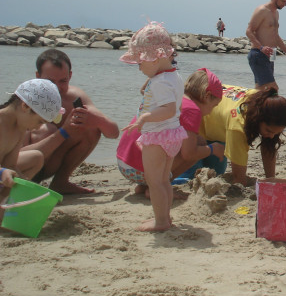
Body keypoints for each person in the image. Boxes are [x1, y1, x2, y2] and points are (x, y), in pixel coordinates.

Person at [120, 22, 187, 232]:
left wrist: (145, 118)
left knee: (154, 181)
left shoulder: (160, 82)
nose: (139, 67)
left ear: (155, 58)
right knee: (164, 180)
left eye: (140, 62)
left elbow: (168, 109)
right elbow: (174, 104)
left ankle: (160, 222)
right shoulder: (172, 76)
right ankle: (165, 217)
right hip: (172, 134)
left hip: (157, 136)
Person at [22, 48, 119, 194]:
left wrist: (98, 120)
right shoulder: (25, 102)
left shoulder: (74, 97)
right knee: (47, 130)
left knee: (91, 127)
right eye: (49, 81)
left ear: (70, 76)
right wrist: (63, 132)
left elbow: (113, 133)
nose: (56, 87)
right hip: (23, 169)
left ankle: (60, 182)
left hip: (51, 164)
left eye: (63, 81)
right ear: (37, 76)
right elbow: (15, 157)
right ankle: (26, 187)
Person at [116, 68, 225, 193]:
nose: (211, 112)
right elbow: (189, 154)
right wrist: (213, 149)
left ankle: (147, 186)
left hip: (124, 163)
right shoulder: (193, 110)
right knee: (198, 145)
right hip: (140, 169)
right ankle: (160, 186)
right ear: (207, 96)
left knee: (194, 140)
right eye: (214, 106)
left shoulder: (174, 98)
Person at [199, 85, 286, 186]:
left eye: (276, 132)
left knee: (216, 173)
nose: (272, 136)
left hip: (217, 128)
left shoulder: (264, 100)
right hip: (196, 121)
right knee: (191, 175)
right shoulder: (238, 127)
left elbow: (268, 146)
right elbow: (238, 178)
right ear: (258, 118)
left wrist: (271, 181)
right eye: (269, 131)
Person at [1, 79, 65, 193]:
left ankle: (9, 199)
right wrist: (2, 172)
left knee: (36, 158)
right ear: (25, 106)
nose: (39, 128)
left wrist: (26, 185)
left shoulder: (20, 128)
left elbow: (10, 165)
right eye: (40, 122)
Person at [245, 0, 286, 91]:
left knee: (261, 89)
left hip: (271, 54)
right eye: (283, 1)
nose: (285, 4)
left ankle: (252, 102)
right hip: (259, 54)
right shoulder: (262, 10)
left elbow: (275, 36)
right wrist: (261, 47)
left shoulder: (276, 13)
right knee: (272, 88)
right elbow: (249, 31)